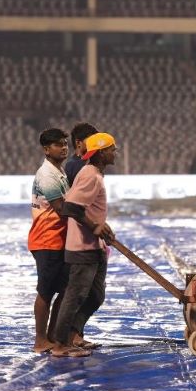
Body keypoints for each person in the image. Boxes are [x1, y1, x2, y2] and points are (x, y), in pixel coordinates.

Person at [49, 132, 118, 358]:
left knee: (96, 296)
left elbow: (86, 209)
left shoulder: (95, 174)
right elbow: (71, 207)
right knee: (75, 296)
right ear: (100, 153)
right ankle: (60, 344)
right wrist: (94, 226)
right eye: (111, 148)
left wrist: (101, 226)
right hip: (82, 248)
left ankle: (72, 335)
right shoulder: (90, 175)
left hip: (94, 246)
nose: (114, 152)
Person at [28, 127, 71, 353]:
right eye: (58, 144)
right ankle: (40, 340)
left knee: (62, 290)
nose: (64, 147)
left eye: (65, 143)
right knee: (46, 291)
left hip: (57, 238)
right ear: (46, 149)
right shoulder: (47, 175)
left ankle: (52, 336)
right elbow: (62, 208)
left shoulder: (58, 171)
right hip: (47, 238)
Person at [64, 122, 98, 187]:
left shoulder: (90, 160)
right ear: (78, 143)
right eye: (91, 140)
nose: (94, 143)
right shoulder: (73, 165)